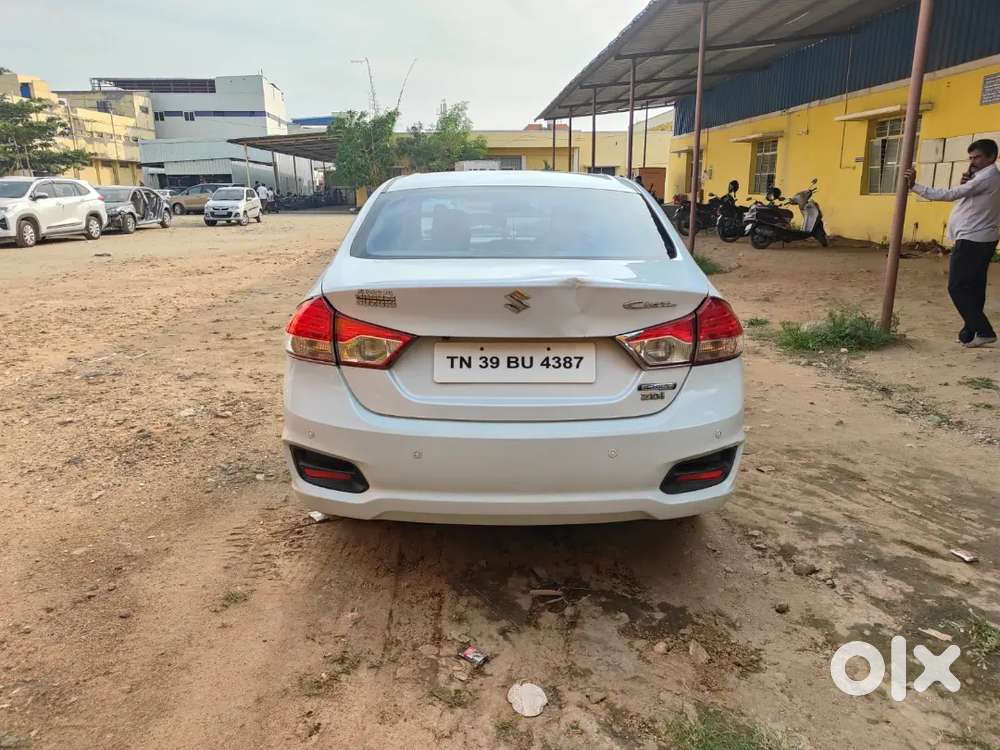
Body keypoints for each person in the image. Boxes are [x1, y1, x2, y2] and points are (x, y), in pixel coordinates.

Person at [905, 139, 999, 348]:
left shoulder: (987, 177)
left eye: (977, 157)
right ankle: (970, 332)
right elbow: (968, 198)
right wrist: (968, 181)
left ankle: (984, 331)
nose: (972, 161)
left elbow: (951, 194)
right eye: (971, 158)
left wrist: (915, 187)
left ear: (992, 157)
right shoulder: (984, 177)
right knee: (973, 287)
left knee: (956, 287)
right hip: (980, 237)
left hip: (973, 239)